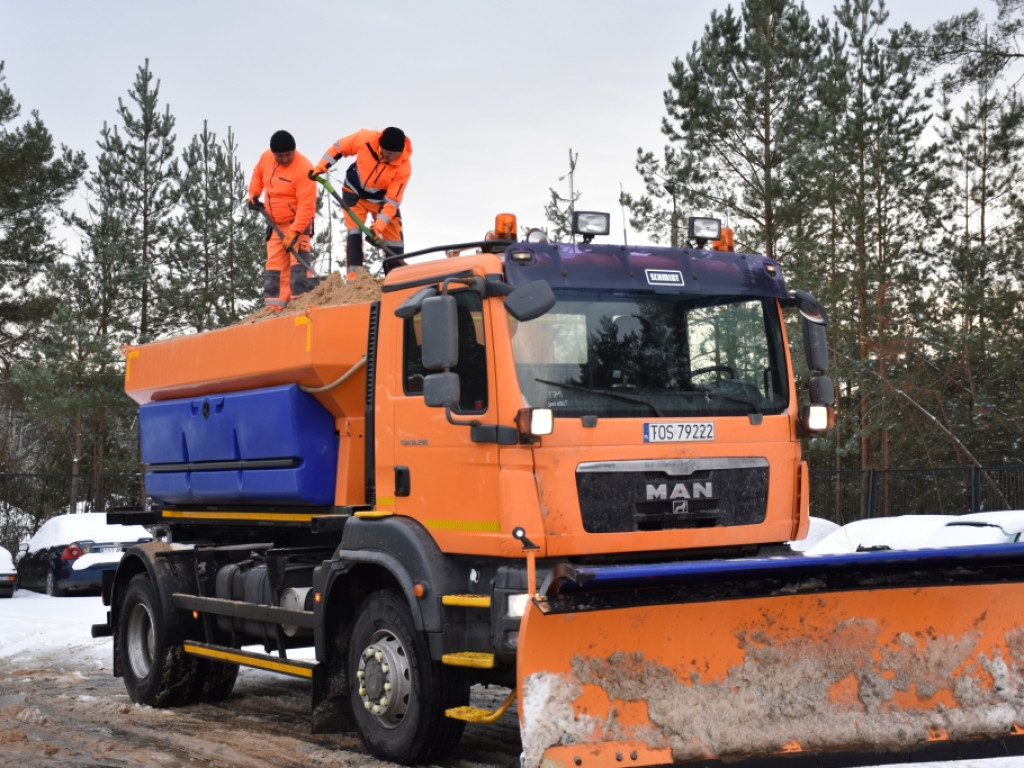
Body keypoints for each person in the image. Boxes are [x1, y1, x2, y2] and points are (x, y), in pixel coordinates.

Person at [310, 127, 411, 277]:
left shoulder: (404, 167)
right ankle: (355, 280)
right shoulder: (366, 139)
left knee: (394, 239)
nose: (390, 157)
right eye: (387, 152)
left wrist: (377, 229)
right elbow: (339, 147)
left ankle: (395, 279)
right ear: (380, 146)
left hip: (382, 201)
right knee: (354, 233)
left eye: (394, 154)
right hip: (354, 194)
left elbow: (392, 202)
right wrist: (321, 167)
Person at [248, 130, 317, 310]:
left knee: (298, 267)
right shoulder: (266, 158)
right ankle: (274, 308)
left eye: (288, 155)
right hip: (275, 224)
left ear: (294, 150)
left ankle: (300, 305)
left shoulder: (304, 169)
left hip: (298, 223)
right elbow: (257, 174)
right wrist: (254, 194)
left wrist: (295, 231)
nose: (285, 159)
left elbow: (307, 205)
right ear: (273, 153)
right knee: (275, 267)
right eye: (281, 156)